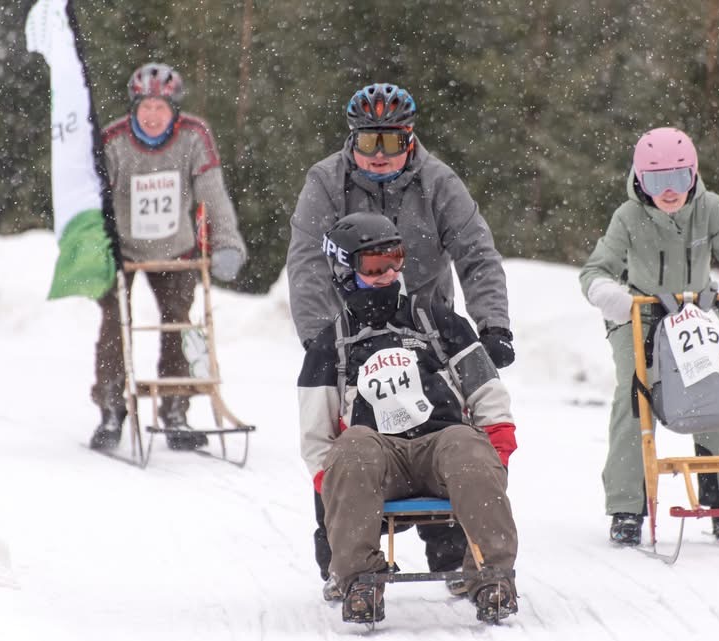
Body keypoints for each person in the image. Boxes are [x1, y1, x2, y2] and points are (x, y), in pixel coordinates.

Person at [287, 82, 514, 598]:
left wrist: (492, 325)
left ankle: (456, 555)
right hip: (351, 329)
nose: (381, 155)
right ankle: (343, 559)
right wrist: (325, 340)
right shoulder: (325, 181)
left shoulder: (437, 181)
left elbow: (476, 251)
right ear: (353, 141)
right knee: (353, 440)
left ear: (411, 139)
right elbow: (305, 262)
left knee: (443, 422)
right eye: (370, 143)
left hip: (425, 324)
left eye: (393, 142)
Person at [298, 213, 518, 624]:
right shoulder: (330, 346)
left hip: (441, 448)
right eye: (374, 267)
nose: (388, 274)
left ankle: (493, 573)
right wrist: (332, 487)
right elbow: (316, 436)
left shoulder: (440, 323)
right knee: (353, 449)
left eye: (395, 261)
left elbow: (488, 395)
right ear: (346, 271)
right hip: (379, 456)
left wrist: (495, 458)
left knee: (468, 444)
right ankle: (358, 576)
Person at [578, 127, 719, 546]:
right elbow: (597, 268)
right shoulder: (628, 217)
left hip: (697, 313)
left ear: (694, 175)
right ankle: (627, 506)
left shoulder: (711, 209)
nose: (668, 192)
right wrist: (606, 292)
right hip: (641, 316)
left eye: (678, 179)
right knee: (634, 396)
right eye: (656, 182)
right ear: (639, 180)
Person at [89, 63, 247, 452]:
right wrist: (93, 251)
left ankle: (175, 409)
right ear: (134, 108)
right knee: (114, 322)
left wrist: (227, 243)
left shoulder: (194, 136)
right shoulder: (113, 140)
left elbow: (213, 193)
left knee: (178, 322)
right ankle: (111, 406)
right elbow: (94, 199)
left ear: (173, 108)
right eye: (146, 108)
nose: (153, 116)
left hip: (176, 248)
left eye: (161, 108)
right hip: (122, 249)